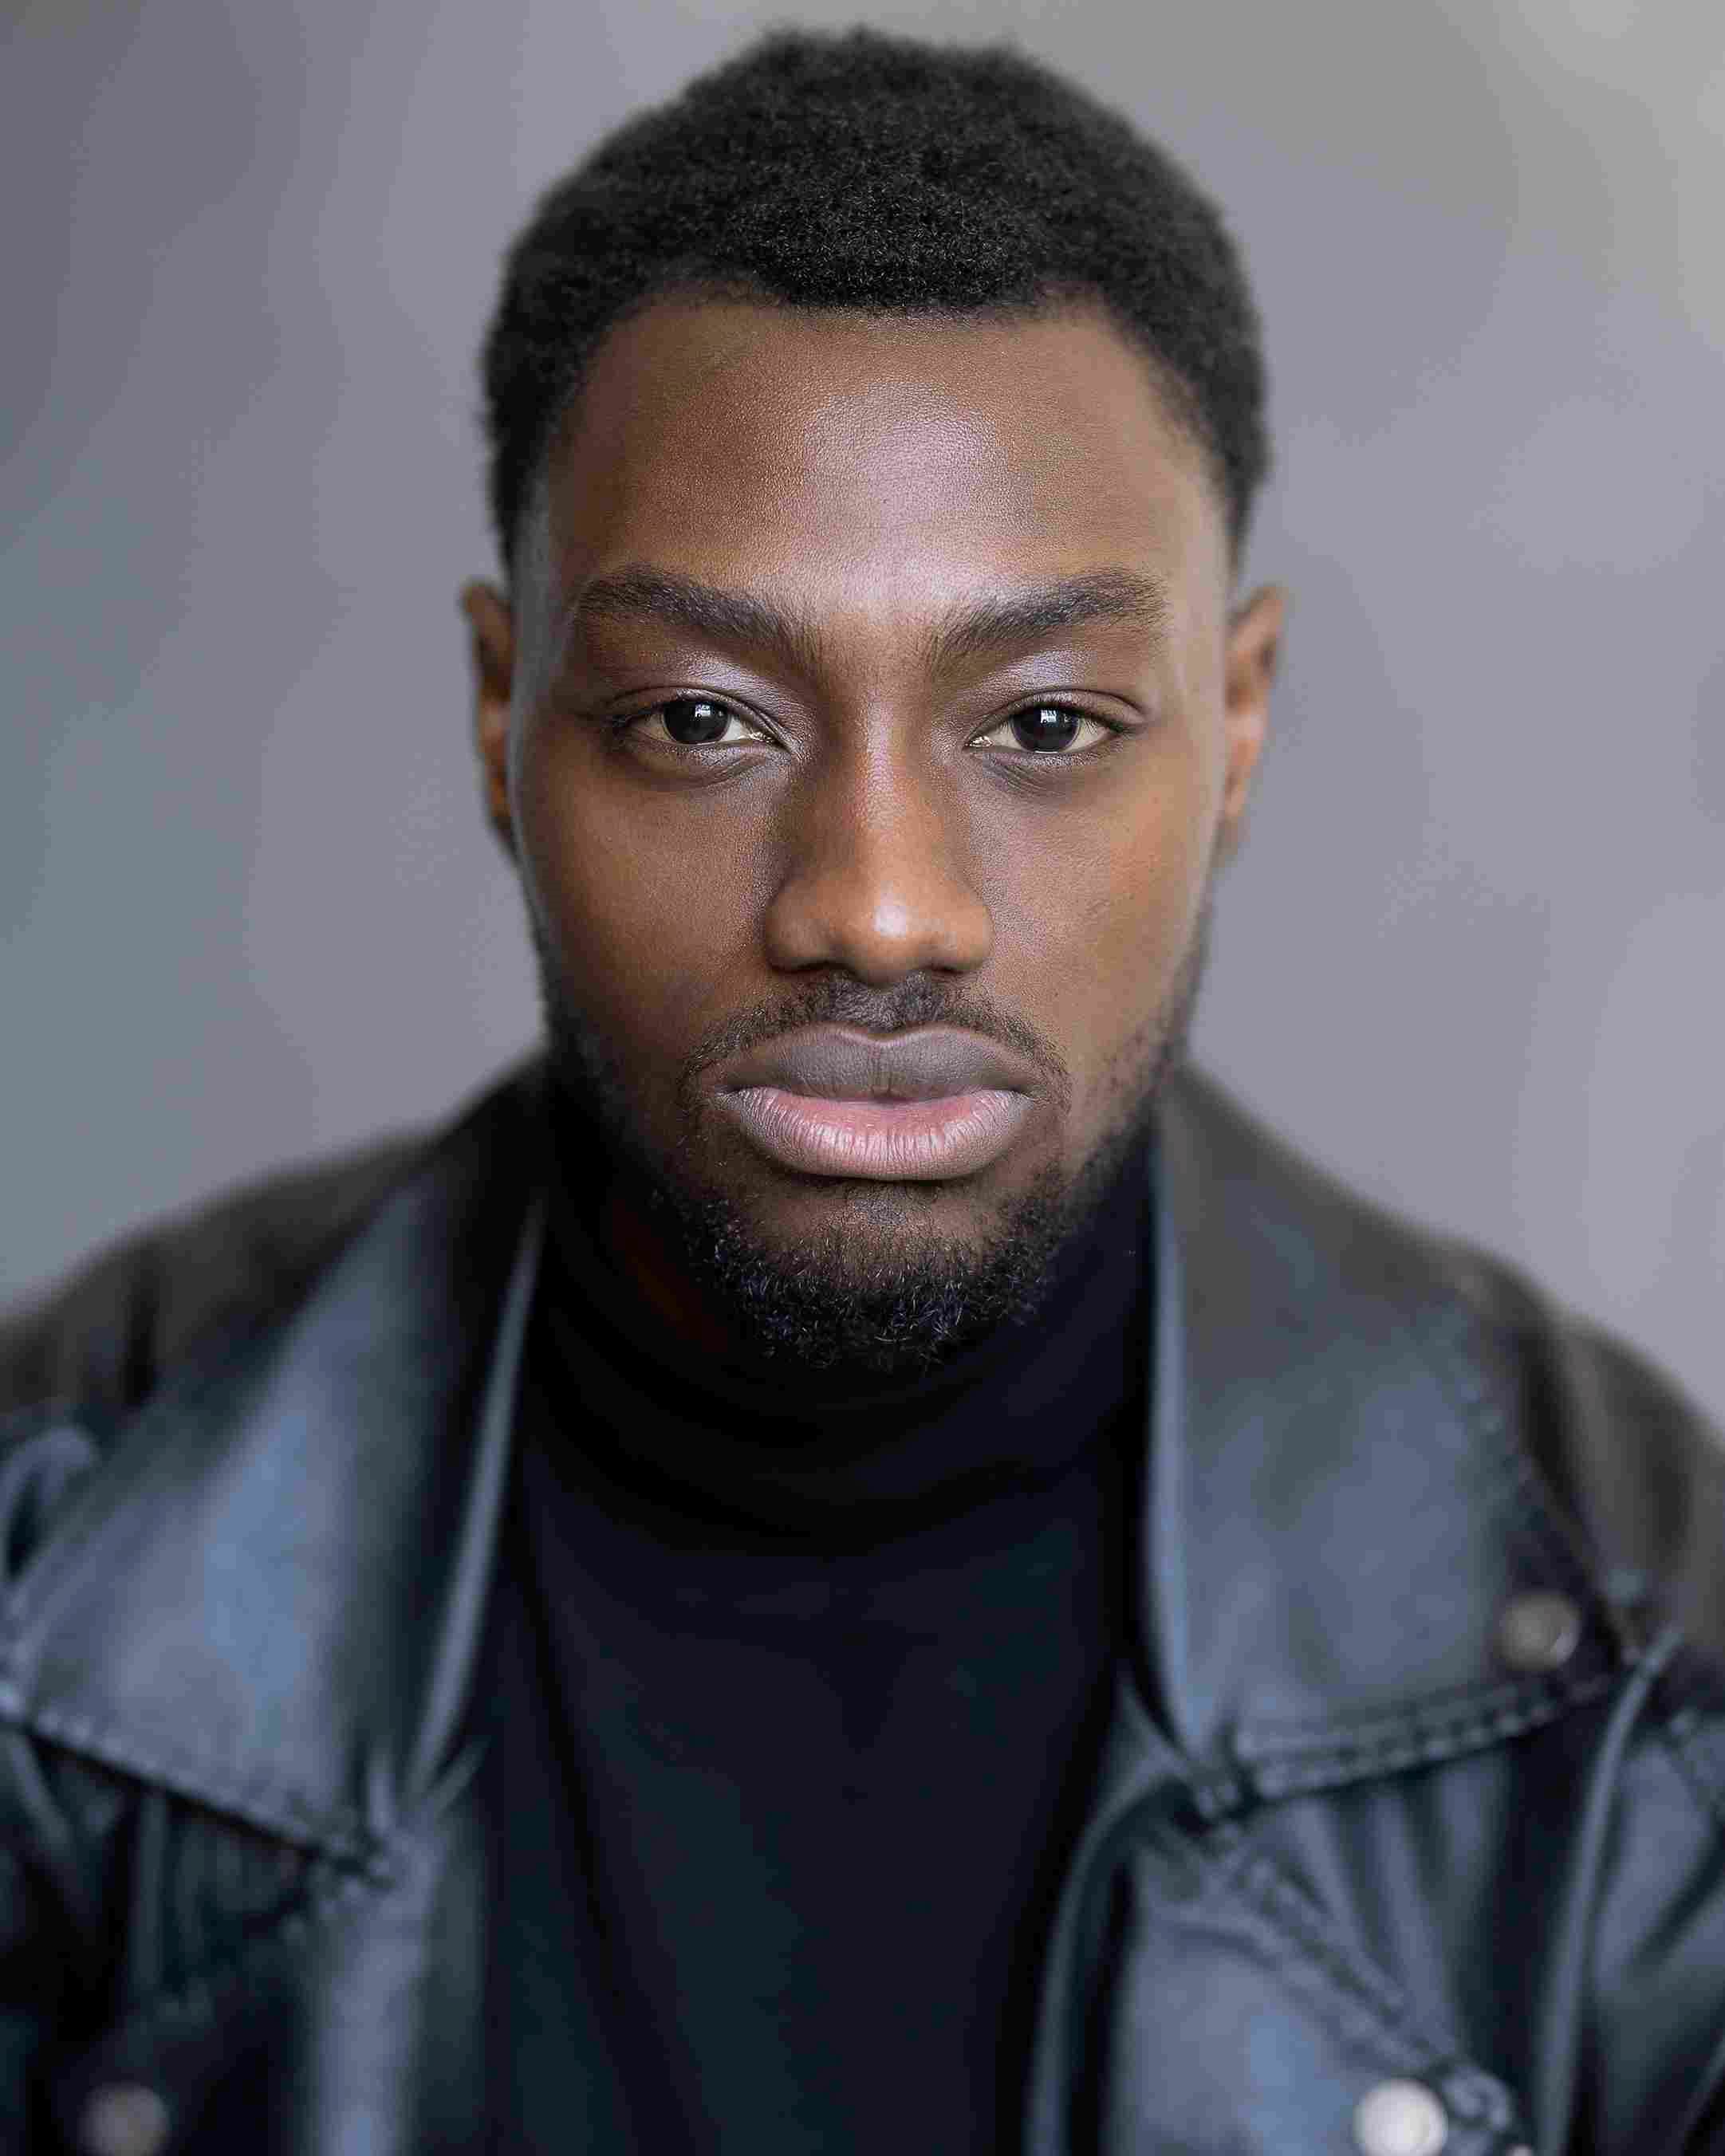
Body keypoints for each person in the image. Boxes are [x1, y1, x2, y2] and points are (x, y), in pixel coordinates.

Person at [2, 24, 1721, 2155]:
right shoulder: (58, 1555)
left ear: (1241, 724)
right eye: (703, 722)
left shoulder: (1643, 1648)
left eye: (1050, 726)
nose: (878, 909)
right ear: (498, 711)